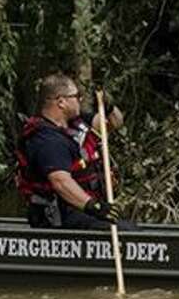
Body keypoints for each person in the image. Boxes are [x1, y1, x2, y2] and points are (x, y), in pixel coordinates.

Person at [16, 73, 131, 230]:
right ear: (61, 102)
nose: (80, 100)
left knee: (130, 229)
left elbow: (114, 123)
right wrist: (94, 206)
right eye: (76, 96)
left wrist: (109, 107)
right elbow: (61, 182)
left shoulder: (75, 122)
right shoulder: (47, 139)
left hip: (83, 212)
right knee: (123, 231)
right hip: (61, 216)